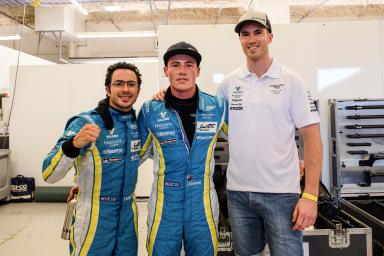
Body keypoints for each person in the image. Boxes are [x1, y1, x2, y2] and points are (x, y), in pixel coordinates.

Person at [216, 10, 323, 256]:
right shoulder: (228, 84)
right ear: (240, 40)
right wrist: (164, 96)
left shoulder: (291, 81)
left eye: (258, 32)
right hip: (238, 194)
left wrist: (310, 196)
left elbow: (312, 137)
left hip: (282, 194)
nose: (251, 39)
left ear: (270, 37)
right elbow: (205, 117)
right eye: (245, 34)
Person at [42, 62, 142, 256]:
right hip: (93, 217)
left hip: (128, 217)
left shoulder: (138, 124)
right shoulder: (85, 122)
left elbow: (136, 159)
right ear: (107, 89)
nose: (125, 89)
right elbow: (49, 174)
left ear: (138, 89)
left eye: (131, 84)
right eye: (118, 83)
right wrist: (73, 145)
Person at [138, 41, 228, 256]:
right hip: (165, 204)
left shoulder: (217, 107)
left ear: (198, 71)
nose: (182, 71)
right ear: (166, 71)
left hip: (202, 203)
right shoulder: (150, 110)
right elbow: (134, 156)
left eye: (189, 65)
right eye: (175, 65)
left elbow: (248, 140)